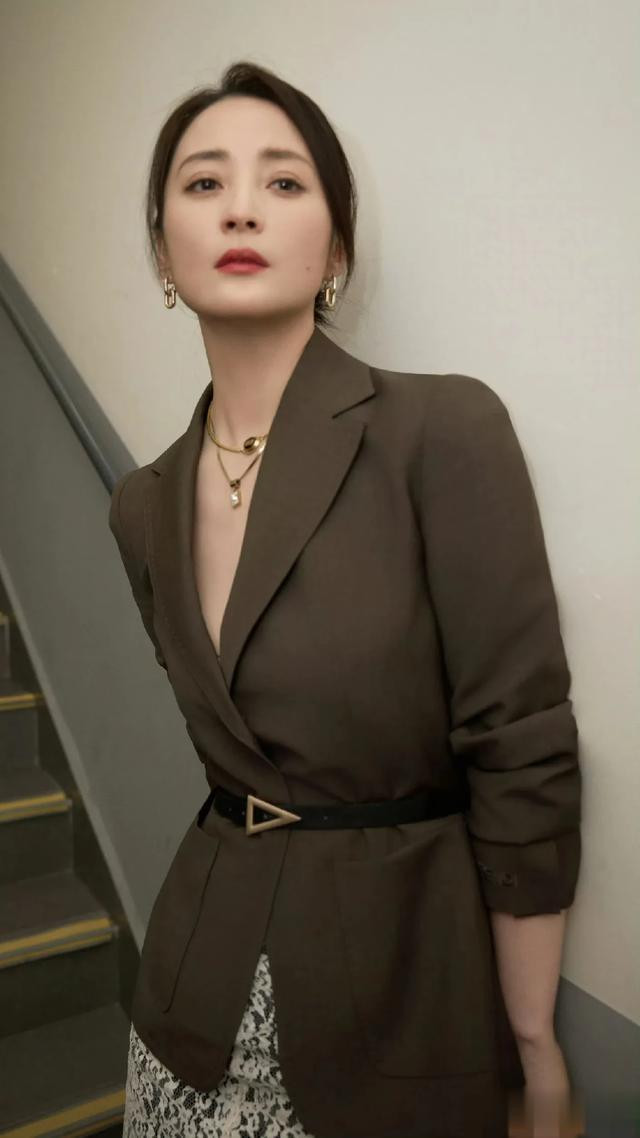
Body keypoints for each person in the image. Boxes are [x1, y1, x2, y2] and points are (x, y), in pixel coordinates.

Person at [110, 59, 583, 1138]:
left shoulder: (443, 430)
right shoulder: (139, 504)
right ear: (163, 253)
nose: (240, 207)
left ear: (335, 249)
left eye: (283, 182)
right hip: (187, 1006)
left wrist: (533, 1042)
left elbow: (520, 742)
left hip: (401, 1001)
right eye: (203, 182)